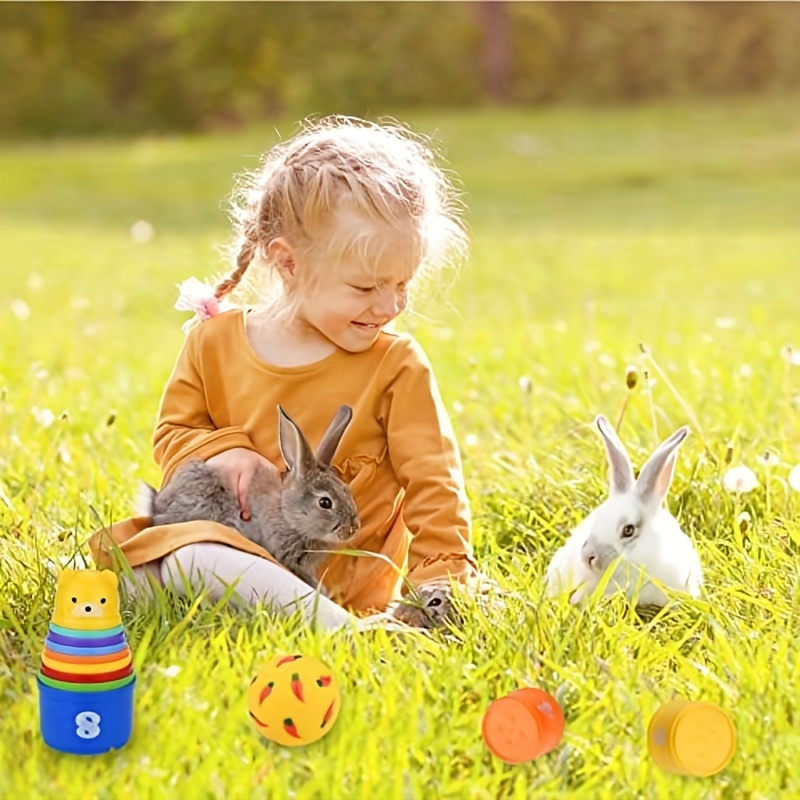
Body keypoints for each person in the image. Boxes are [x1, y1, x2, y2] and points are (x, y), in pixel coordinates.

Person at [90, 115, 482, 630]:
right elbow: (173, 435)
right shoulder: (215, 342)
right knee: (142, 568)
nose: (390, 305)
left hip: (330, 573)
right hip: (232, 544)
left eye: (402, 284)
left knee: (189, 565)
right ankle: (252, 605)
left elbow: (433, 484)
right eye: (366, 288)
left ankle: (347, 633)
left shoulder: (396, 366)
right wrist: (223, 448)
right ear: (289, 262)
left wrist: (441, 581)